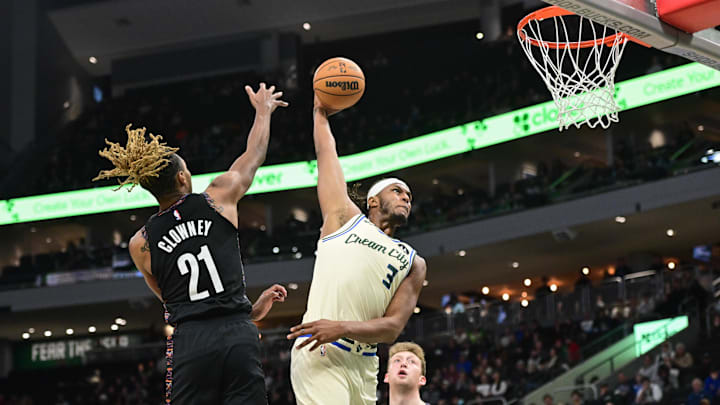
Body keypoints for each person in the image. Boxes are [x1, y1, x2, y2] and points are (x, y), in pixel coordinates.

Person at [96, 83, 289, 404]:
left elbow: (175, 300)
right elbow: (254, 155)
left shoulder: (139, 243)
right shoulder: (218, 197)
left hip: (191, 341)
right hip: (239, 332)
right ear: (183, 178)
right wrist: (263, 112)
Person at [286, 95, 427, 404]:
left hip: (364, 364)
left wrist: (343, 327)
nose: (406, 197)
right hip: (320, 350)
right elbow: (327, 156)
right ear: (373, 201)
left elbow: (392, 328)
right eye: (397, 190)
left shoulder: (414, 262)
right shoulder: (344, 220)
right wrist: (319, 115)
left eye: (409, 195)